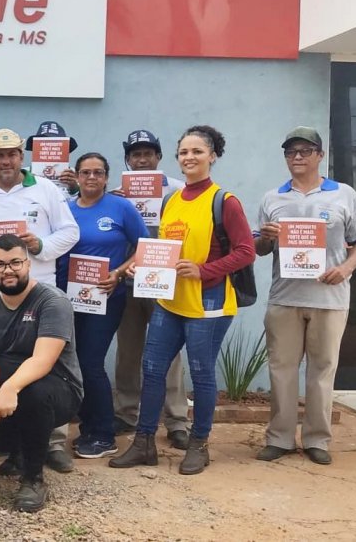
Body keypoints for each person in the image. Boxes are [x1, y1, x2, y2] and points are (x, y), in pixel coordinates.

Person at [111, 125, 255, 475]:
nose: (189, 157)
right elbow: (163, 248)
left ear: (212, 156)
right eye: (184, 152)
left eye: (197, 151)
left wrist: (204, 270)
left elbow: (246, 251)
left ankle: (198, 444)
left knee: (202, 374)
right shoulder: (171, 200)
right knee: (152, 369)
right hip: (170, 300)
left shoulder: (224, 201)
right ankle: (144, 442)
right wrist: (141, 267)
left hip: (209, 301)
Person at [0, 127, 79, 473]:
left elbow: (71, 232)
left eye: (12, 154)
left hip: (42, 290)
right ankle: (17, 447)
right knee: (7, 366)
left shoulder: (46, 189)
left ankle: (54, 444)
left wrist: (40, 246)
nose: (6, 161)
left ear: (21, 157)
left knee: (47, 367)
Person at [0, 234, 83, 512]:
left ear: (28, 264)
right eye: (0, 264)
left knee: (33, 392)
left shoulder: (52, 301)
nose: (8, 270)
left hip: (58, 388)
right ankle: (17, 450)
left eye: (15, 262)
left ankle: (33, 479)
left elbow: (43, 360)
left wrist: (9, 388)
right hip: (9, 388)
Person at [254, 126, 356, 465]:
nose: (297, 157)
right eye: (291, 152)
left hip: (329, 299)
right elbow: (258, 248)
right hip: (284, 297)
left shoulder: (344, 194)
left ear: (320, 155)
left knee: (322, 371)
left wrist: (345, 268)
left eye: (305, 151)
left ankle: (318, 439)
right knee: (282, 370)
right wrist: (266, 238)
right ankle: (280, 438)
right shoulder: (273, 198)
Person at [55, 153, 147, 458]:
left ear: (106, 177)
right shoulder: (65, 209)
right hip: (68, 298)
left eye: (98, 172)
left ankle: (104, 434)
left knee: (91, 362)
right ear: (77, 176)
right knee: (74, 363)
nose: (91, 177)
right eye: (86, 172)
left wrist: (118, 274)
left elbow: (145, 248)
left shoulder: (121, 207)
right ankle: (88, 428)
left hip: (106, 298)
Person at [110, 129, 190, 448]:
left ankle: (177, 420)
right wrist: (114, 202)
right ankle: (126, 412)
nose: (142, 160)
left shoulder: (180, 190)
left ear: (158, 156)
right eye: (135, 155)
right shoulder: (117, 194)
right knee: (128, 350)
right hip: (129, 280)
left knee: (169, 352)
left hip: (164, 282)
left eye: (147, 153)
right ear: (128, 160)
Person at [25, 121, 79, 198]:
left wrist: (74, 187)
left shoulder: (76, 175)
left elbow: (84, 200)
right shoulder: (23, 174)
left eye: (57, 144)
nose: (49, 148)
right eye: (43, 144)